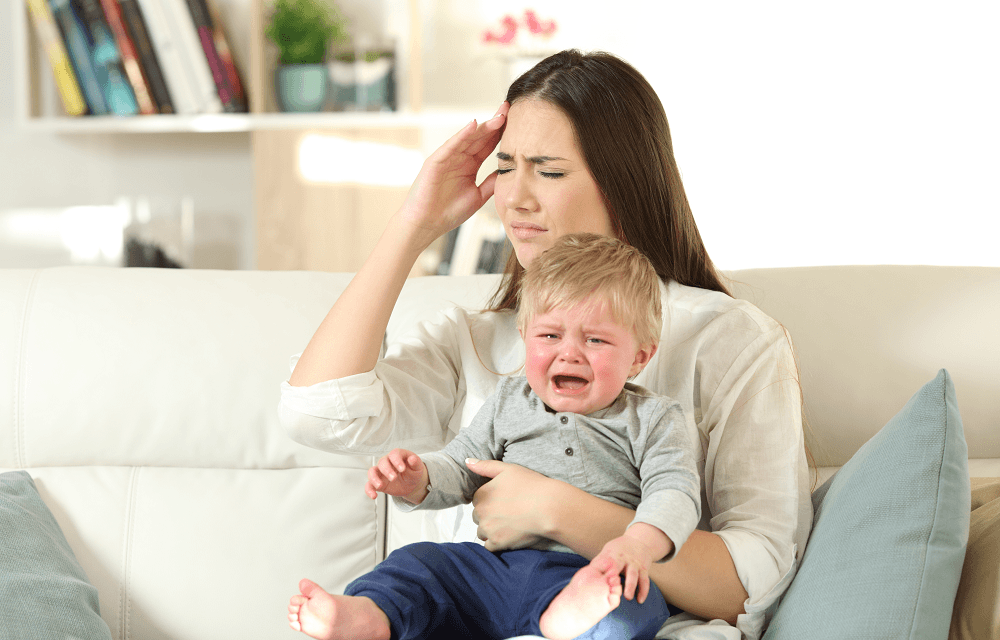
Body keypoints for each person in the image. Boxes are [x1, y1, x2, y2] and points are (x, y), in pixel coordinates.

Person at [280, 49, 812, 640]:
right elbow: (318, 415)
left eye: (549, 171)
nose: (514, 198)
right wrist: (413, 223)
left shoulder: (729, 338)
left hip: (617, 615)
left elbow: (754, 580)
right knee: (408, 580)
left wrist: (558, 511)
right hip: (475, 607)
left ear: (622, 184)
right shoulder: (475, 338)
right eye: (505, 167)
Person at [287, 234, 701, 640]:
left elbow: (675, 493)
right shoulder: (508, 400)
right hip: (492, 571)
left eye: (595, 340)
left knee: (637, 604)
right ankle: (368, 617)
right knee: (420, 564)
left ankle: (568, 621)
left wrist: (638, 547)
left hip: (586, 570)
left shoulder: (653, 418)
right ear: (525, 337)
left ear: (639, 357)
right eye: (550, 336)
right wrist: (418, 480)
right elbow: (462, 464)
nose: (569, 353)